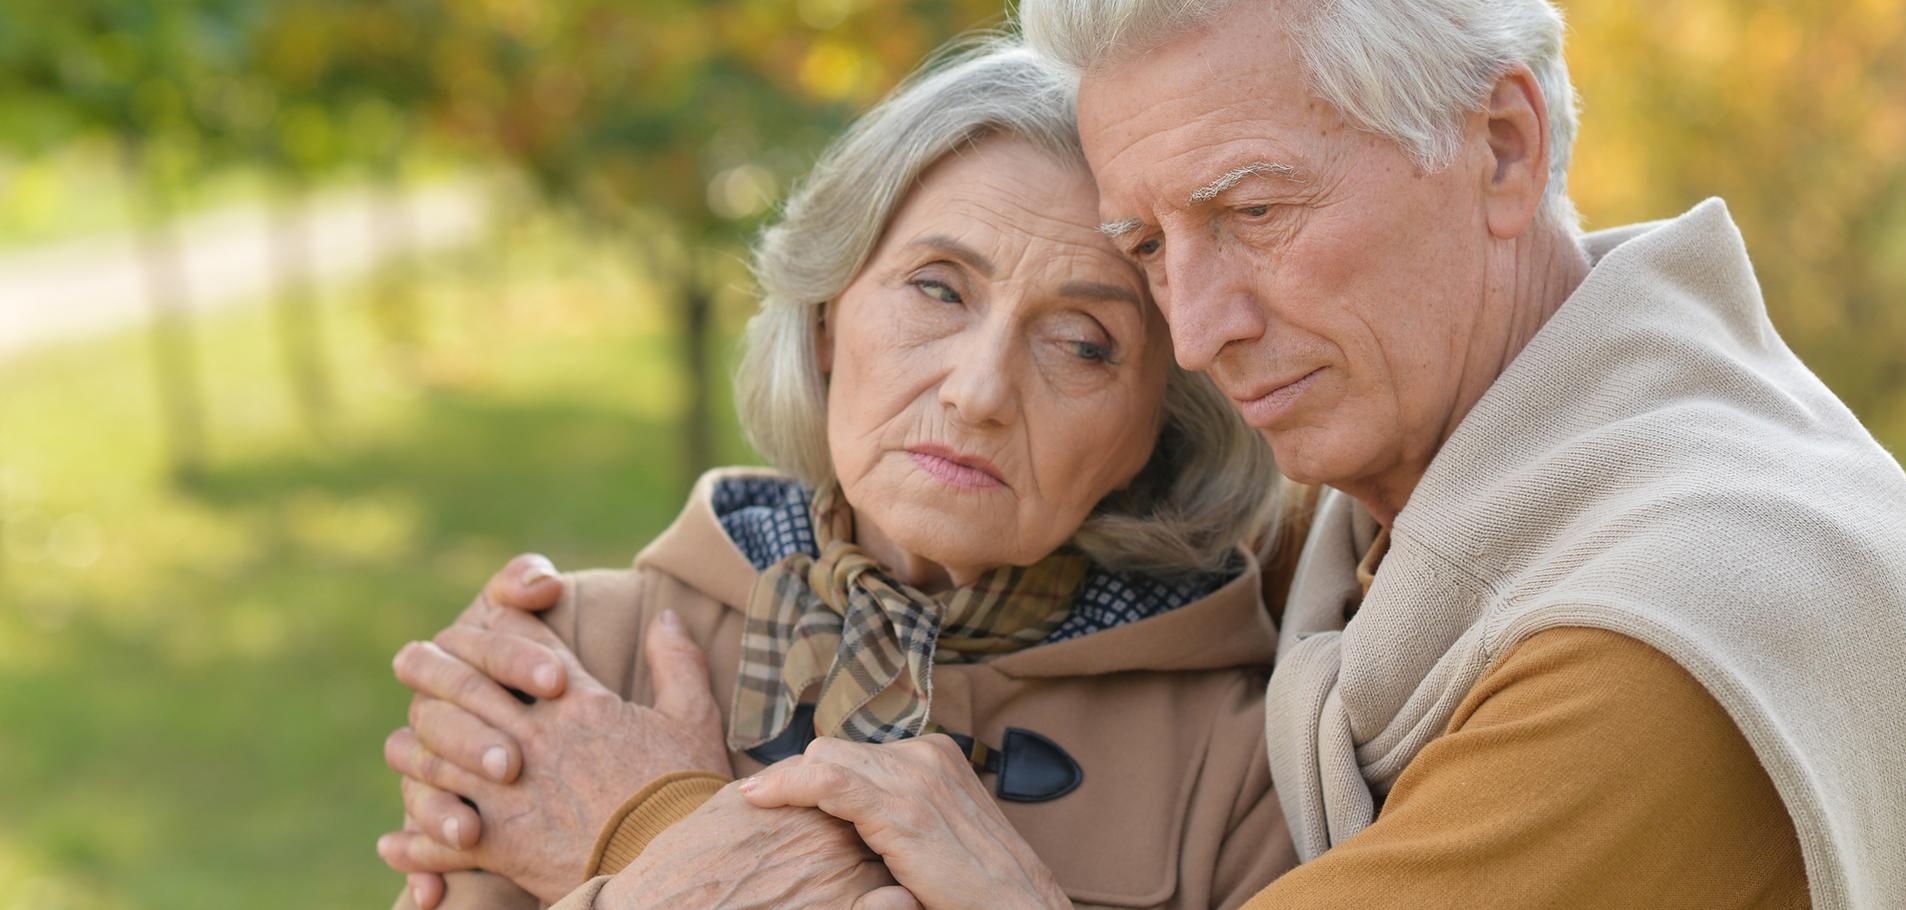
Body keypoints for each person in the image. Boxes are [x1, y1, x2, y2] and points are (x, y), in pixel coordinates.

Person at [723, 2, 1906, 908]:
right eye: (1146, 245)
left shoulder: (1656, 631)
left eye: (1254, 213)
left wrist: (664, 830)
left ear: (1501, 146)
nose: (1196, 330)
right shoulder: (1417, 496)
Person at [376, 41, 1301, 910]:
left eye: (1081, 344)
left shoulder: (1242, 758)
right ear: (826, 315)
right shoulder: (572, 657)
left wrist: (654, 842)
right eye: (938, 289)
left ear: (1157, 429)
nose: (979, 391)